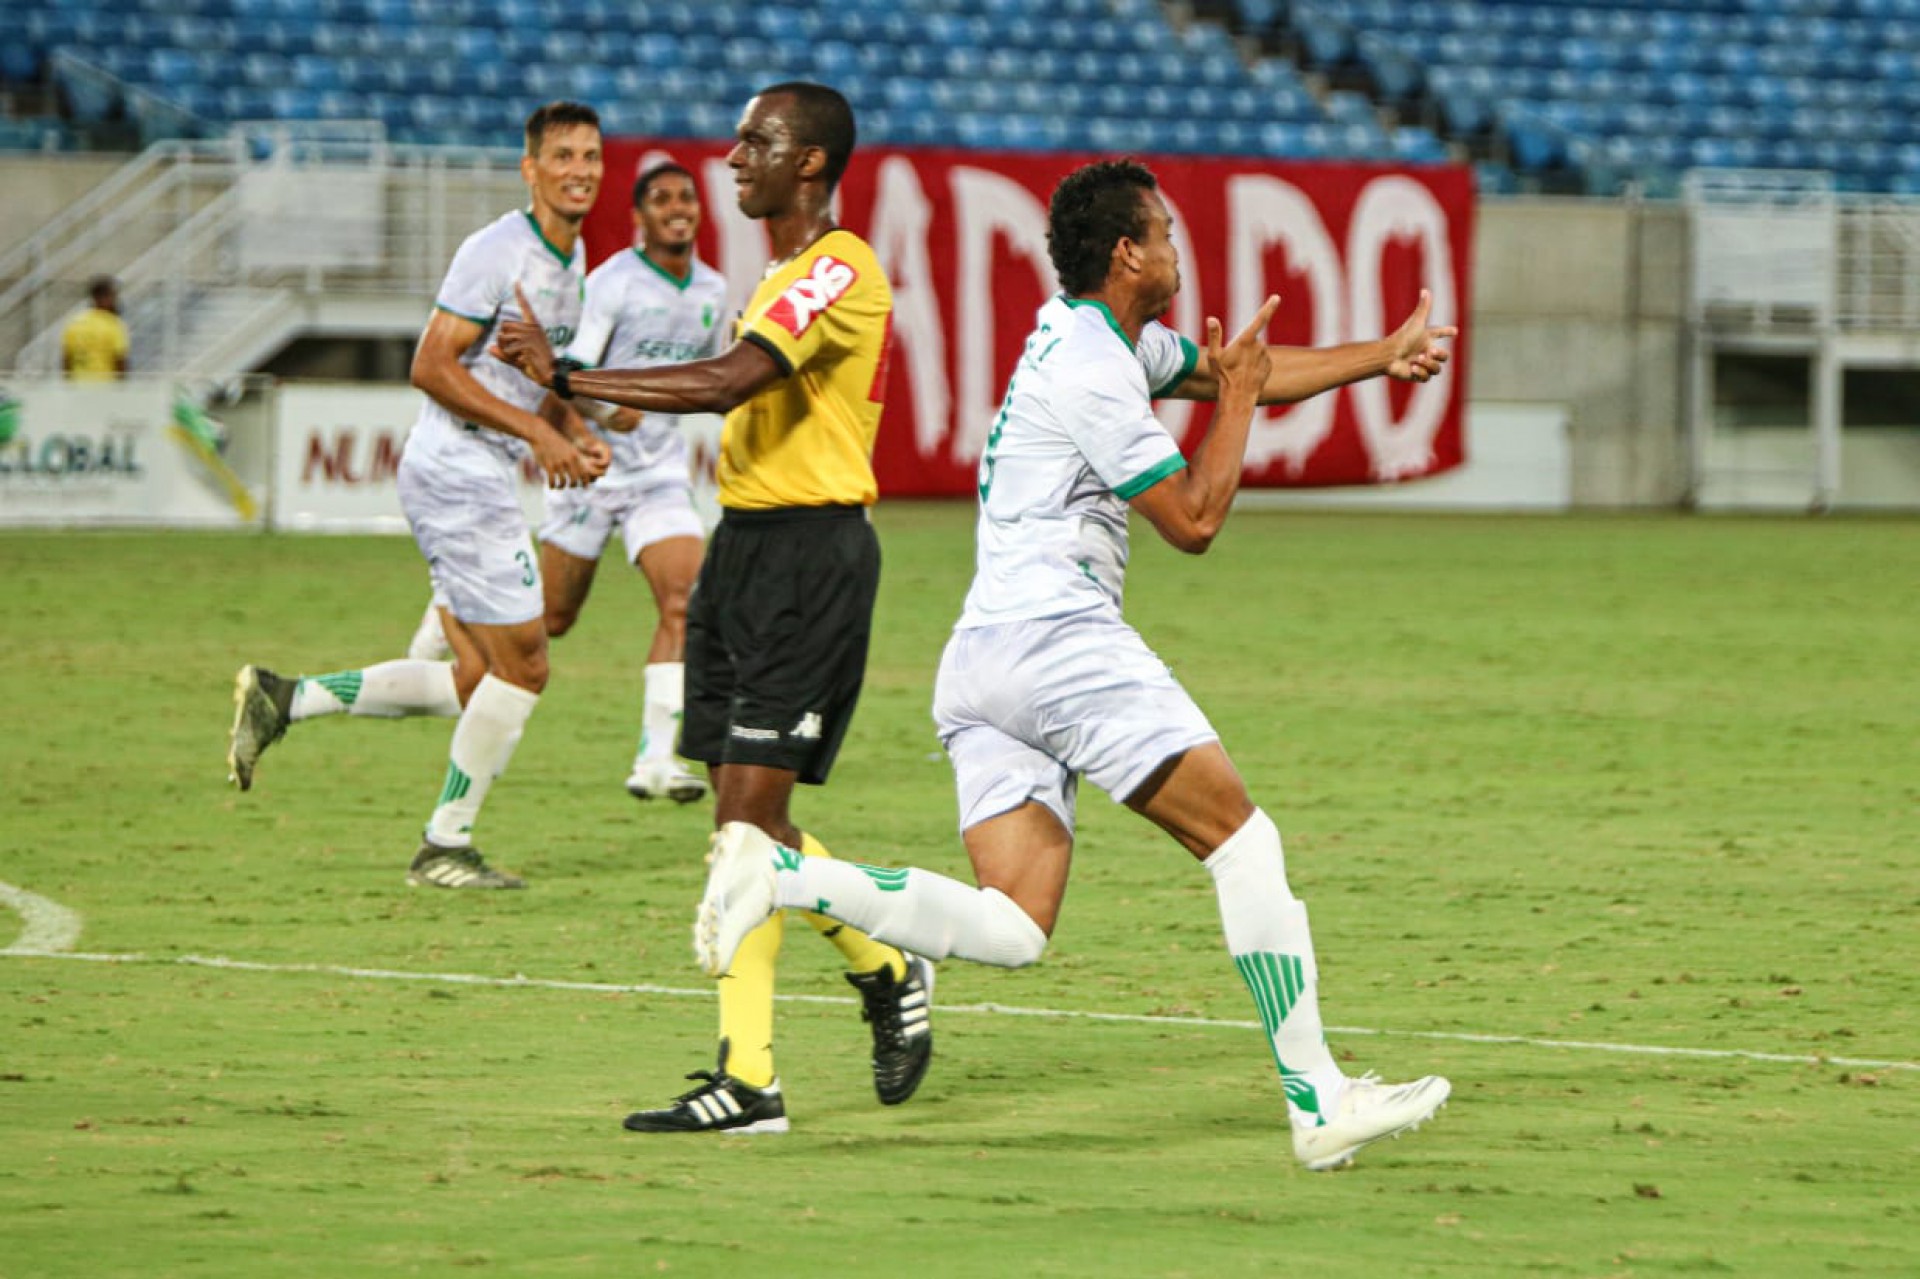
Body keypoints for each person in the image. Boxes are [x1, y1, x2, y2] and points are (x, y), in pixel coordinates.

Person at [695, 158, 1459, 1171]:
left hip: (983, 660)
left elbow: (1242, 369)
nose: (1180, 248)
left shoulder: (1094, 337)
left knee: (1013, 925)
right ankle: (1319, 1100)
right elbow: (1194, 519)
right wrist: (1234, 402)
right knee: (1243, 842)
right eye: (1167, 232)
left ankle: (784, 873)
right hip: (1060, 642)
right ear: (1128, 252)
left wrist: (1381, 355)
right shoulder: (1094, 369)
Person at [494, 82, 932, 1134]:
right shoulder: (777, 275)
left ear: (811, 162)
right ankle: (877, 970)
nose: (734, 158)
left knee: (745, 827)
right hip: (744, 546)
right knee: (748, 824)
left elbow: (734, 380)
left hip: (810, 558)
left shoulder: (837, 265)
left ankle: (756, 1074)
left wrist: (574, 375)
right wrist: (577, 396)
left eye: (756, 141)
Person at [225, 101, 611, 891]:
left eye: (591, 156)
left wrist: (571, 430)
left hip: (476, 469)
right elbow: (431, 367)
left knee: (476, 679)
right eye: (563, 156)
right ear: (530, 168)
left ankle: (285, 699)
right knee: (527, 666)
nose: (580, 170)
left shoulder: (573, 261)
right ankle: (444, 844)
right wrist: (537, 437)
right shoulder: (495, 251)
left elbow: (530, 382)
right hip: (459, 470)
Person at [407, 161, 723, 804]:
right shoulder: (611, 284)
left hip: (658, 475)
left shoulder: (715, 292)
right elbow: (561, 375)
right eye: (662, 198)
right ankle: (452, 605)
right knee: (550, 619)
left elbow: (713, 380)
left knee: (686, 602)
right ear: (639, 217)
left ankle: (655, 760)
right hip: (591, 471)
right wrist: (602, 416)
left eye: (687, 197)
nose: (677, 208)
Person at [62, 276, 128, 381]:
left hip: (78, 386)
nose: (115, 301)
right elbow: (120, 362)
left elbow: (67, 361)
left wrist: (68, 386)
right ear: (101, 298)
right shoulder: (113, 325)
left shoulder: (74, 324)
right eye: (113, 296)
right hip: (105, 387)